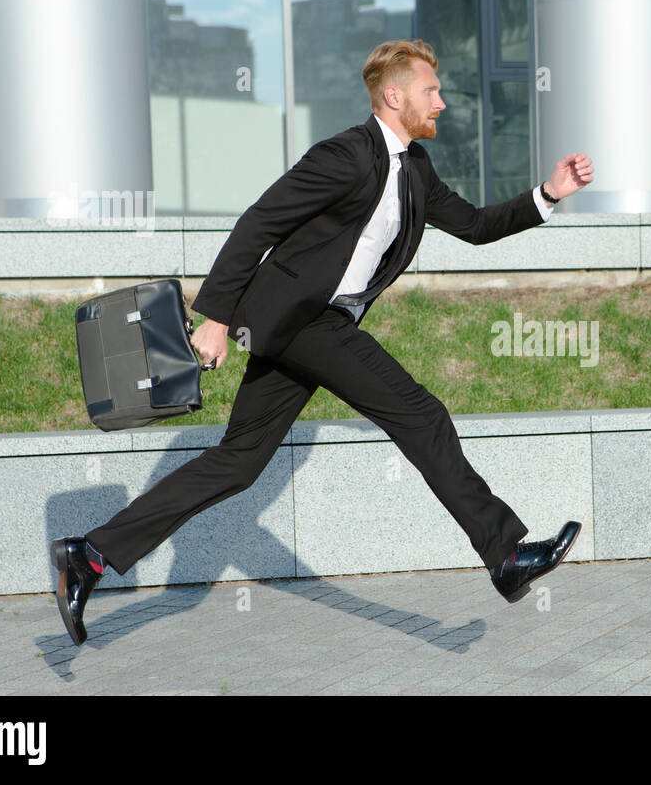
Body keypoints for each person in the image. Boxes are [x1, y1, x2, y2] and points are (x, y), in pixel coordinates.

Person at [51, 38, 593, 646]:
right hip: (304, 321)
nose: (441, 102)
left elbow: (474, 226)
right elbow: (260, 222)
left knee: (238, 462)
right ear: (394, 96)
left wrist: (547, 196)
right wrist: (215, 317)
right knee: (421, 414)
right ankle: (505, 554)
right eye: (430, 91)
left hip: (307, 327)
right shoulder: (346, 155)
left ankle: (89, 554)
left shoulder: (415, 167)